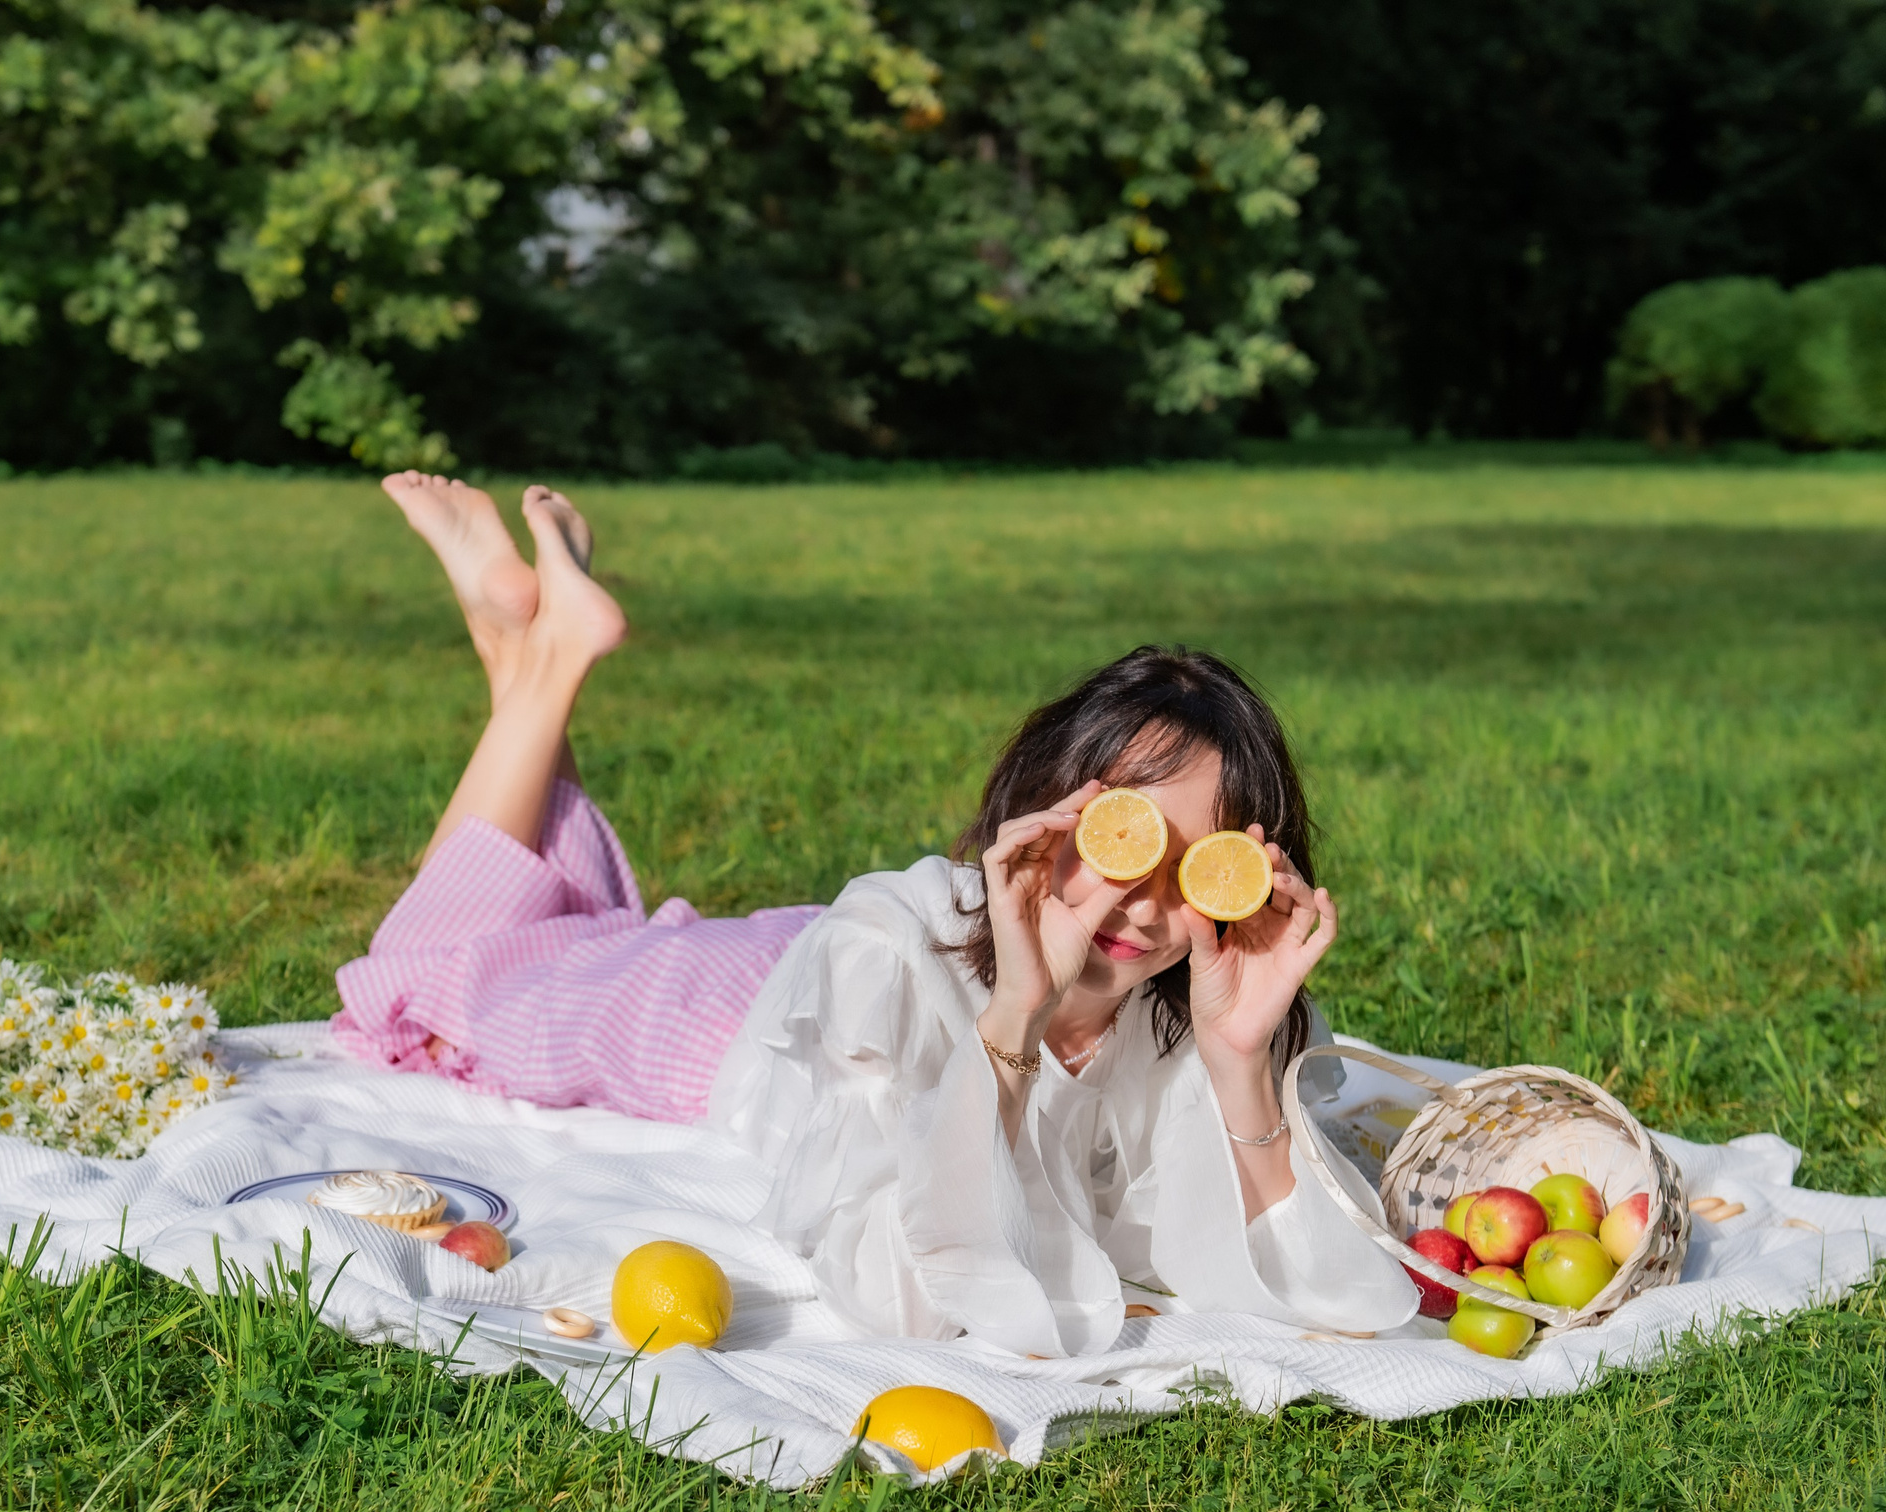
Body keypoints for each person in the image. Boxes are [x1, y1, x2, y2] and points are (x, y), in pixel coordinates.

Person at [333, 474, 1416, 1356]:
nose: (1139, 903)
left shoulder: (1205, 1006)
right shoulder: (886, 955)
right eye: (1117, 843)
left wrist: (1239, 1064)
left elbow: (1337, 1292)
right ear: (1048, 813)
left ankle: (523, 643)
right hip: (733, 1013)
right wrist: (1013, 1023)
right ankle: (546, 654)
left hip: (839, 951)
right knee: (433, 965)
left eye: (1195, 872)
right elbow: (905, 1290)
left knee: (556, 921)